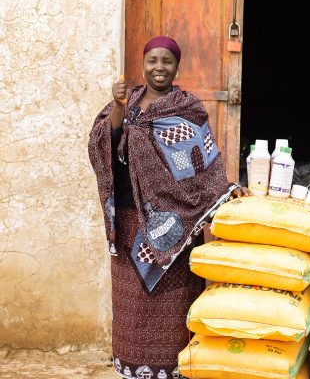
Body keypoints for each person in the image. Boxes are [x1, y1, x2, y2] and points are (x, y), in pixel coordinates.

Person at [88, 35, 249, 379]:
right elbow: (103, 147)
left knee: (173, 306)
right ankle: (133, 369)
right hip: (132, 225)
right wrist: (117, 107)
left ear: (177, 67)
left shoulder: (187, 108)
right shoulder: (125, 103)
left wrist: (225, 191)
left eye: (167, 62)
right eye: (152, 61)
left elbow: (202, 165)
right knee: (133, 309)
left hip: (176, 227)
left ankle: (176, 369)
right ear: (143, 65)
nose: (159, 68)